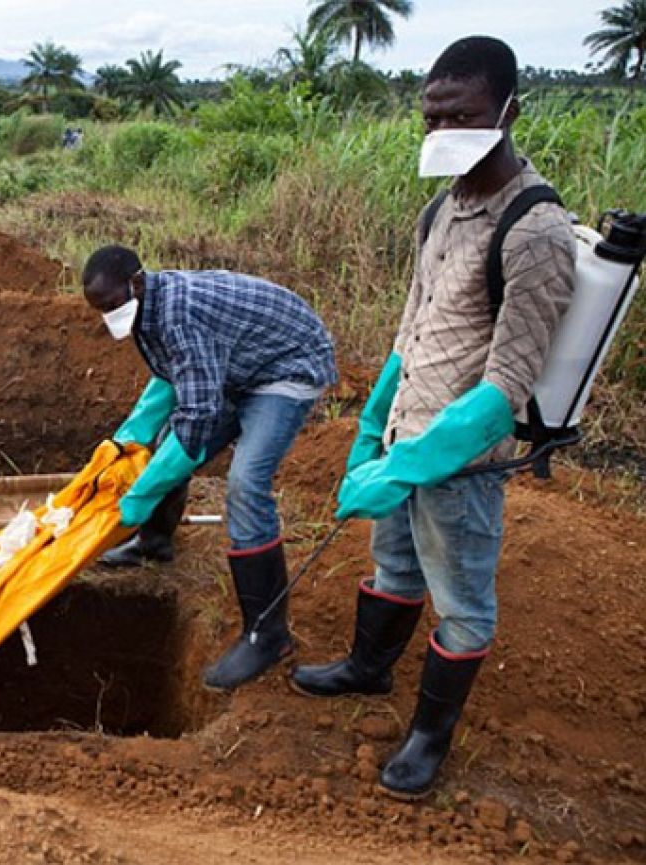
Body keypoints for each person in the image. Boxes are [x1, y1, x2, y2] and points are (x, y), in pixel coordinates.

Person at [290, 37, 576, 800]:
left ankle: (426, 739)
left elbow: (505, 389)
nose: (445, 128)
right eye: (432, 114)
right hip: (405, 434)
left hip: (460, 465)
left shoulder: (535, 231)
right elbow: (408, 333)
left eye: (465, 113)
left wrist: (410, 465)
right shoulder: (439, 209)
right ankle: (366, 667)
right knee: (394, 566)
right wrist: (369, 434)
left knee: (461, 603)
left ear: (510, 111)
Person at [83, 246, 337, 690]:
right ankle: (154, 543)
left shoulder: (179, 315)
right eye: (100, 310)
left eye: (112, 305)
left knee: (245, 482)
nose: (109, 316)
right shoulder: (146, 308)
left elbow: (198, 417)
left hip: (285, 366)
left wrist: (140, 494)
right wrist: (125, 441)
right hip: (236, 366)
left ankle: (267, 634)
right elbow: (168, 381)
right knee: (163, 447)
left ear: (136, 283)